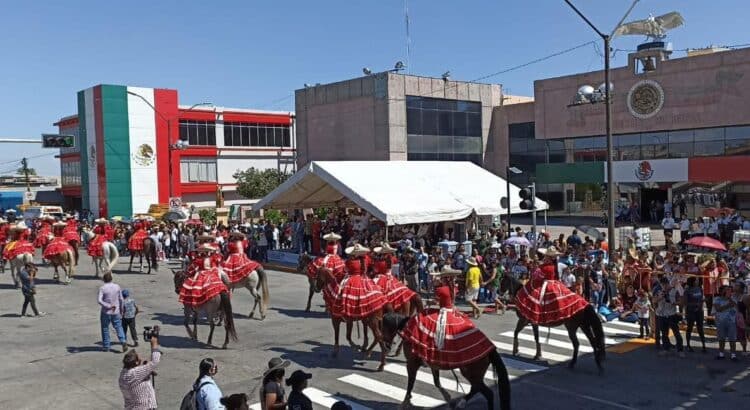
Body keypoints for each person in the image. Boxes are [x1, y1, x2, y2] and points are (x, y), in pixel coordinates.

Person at [119, 332, 161, 410]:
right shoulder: (136, 373)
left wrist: (146, 370)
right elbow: (155, 361)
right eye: (139, 358)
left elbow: (136, 379)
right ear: (136, 362)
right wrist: (154, 344)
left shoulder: (124, 373)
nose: (141, 359)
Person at [654, 276, 684, 357]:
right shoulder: (659, 291)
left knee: (676, 332)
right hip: (661, 314)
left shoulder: (674, 291)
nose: (664, 287)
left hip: (671, 314)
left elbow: (681, 302)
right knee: (664, 333)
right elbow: (654, 301)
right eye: (662, 285)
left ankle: (680, 350)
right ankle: (666, 349)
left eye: (665, 285)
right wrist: (659, 298)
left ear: (668, 283)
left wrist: (673, 302)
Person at [98, 272, 128, 353]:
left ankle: (106, 346)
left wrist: (107, 305)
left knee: (105, 328)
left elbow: (99, 300)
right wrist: (122, 310)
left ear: (104, 279)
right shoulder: (117, 287)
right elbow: (121, 299)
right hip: (116, 311)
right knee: (118, 327)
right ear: (111, 279)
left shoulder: (102, 288)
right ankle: (123, 341)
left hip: (106, 312)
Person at [713, 285, 738, 360]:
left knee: (732, 338)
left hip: (732, 321)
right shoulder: (717, 299)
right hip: (720, 321)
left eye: (729, 290)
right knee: (721, 338)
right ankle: (721, 354)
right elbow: (718, 309)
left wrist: (729, 299)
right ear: (722, 291)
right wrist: (728, 305)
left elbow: (735, 305)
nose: (729, 291)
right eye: (726, 290)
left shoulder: (733, 298)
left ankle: (733, 355)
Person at [682, 277, 707, 353]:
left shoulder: (700, 289)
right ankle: (688, 345)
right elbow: (685, 302)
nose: (698, 281)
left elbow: (701, 298)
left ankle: (704, 346)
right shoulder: (687, 291)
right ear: (692, 282)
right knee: (690, 328)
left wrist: (703, 301)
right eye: (696, 280)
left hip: (699, 311)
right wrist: (695, 304)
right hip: (691, 311)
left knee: (700, 329)